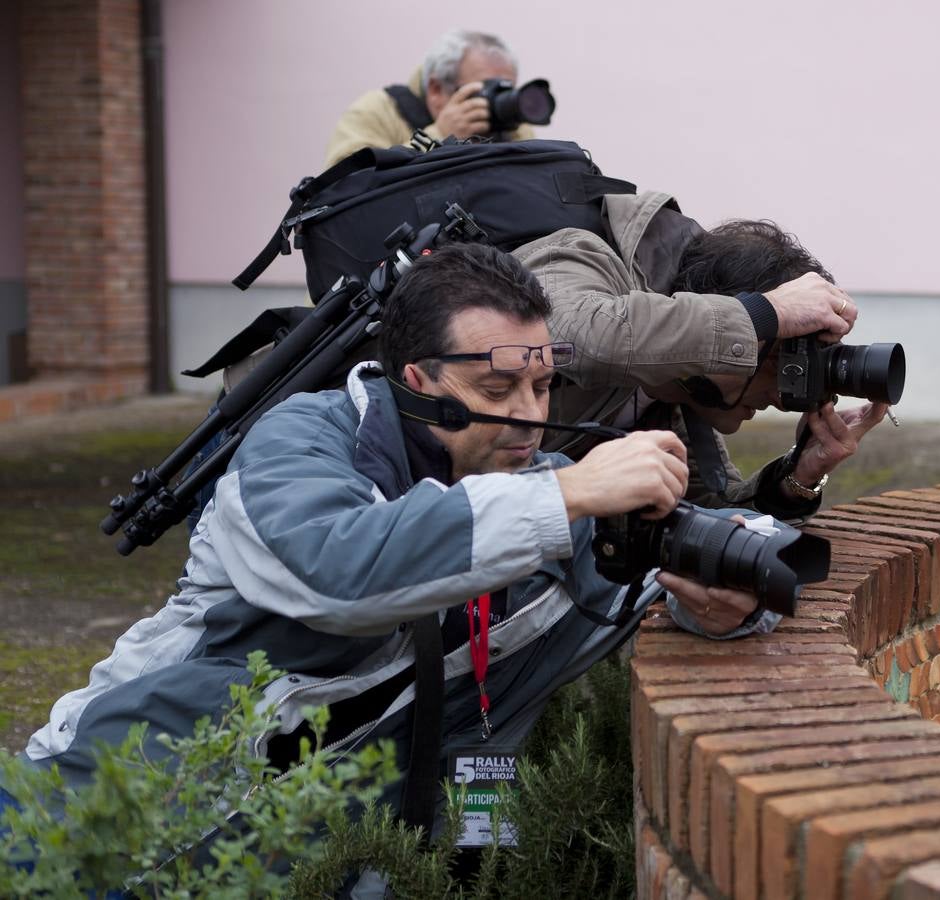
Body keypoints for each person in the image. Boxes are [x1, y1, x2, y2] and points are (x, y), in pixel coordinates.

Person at [8, 243, 778, 861]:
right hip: (95, 805)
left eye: (543, 385)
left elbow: (495, 710)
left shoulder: (541, 498)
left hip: (286, 861)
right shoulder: (300, 445)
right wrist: (569, 494)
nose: (529, 416)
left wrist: (723, 607)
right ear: (418, 380)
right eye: (501, 386)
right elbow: (344, 574)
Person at [514, 196, 888, 521]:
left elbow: (715, 520)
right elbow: (585, 339)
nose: (780, 396)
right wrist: (767, 313)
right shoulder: (572, 257)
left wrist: (799, 477)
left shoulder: (671, 394)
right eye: (778, 360)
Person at [324, 29, 538, 167]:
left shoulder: (512, 126)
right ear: (436, 90)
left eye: (504, 92)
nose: (494, 104)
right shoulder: (374, 112)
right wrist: (439, 136)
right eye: (483, 92)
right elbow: (343, 185)